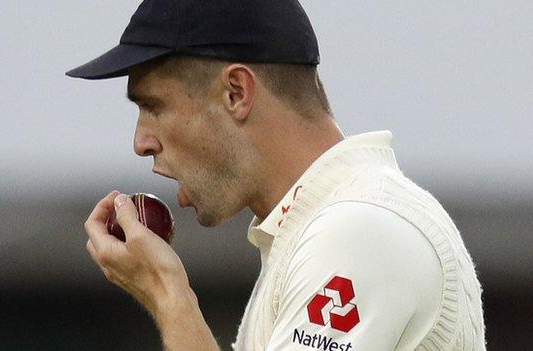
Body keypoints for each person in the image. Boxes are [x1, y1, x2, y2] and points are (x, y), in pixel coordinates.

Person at [68, 0, 486, 350]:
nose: (141, 142)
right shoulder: (320, 226)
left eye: (154, 106)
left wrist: (168, 293)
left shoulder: (359, 227)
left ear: (236, 93)